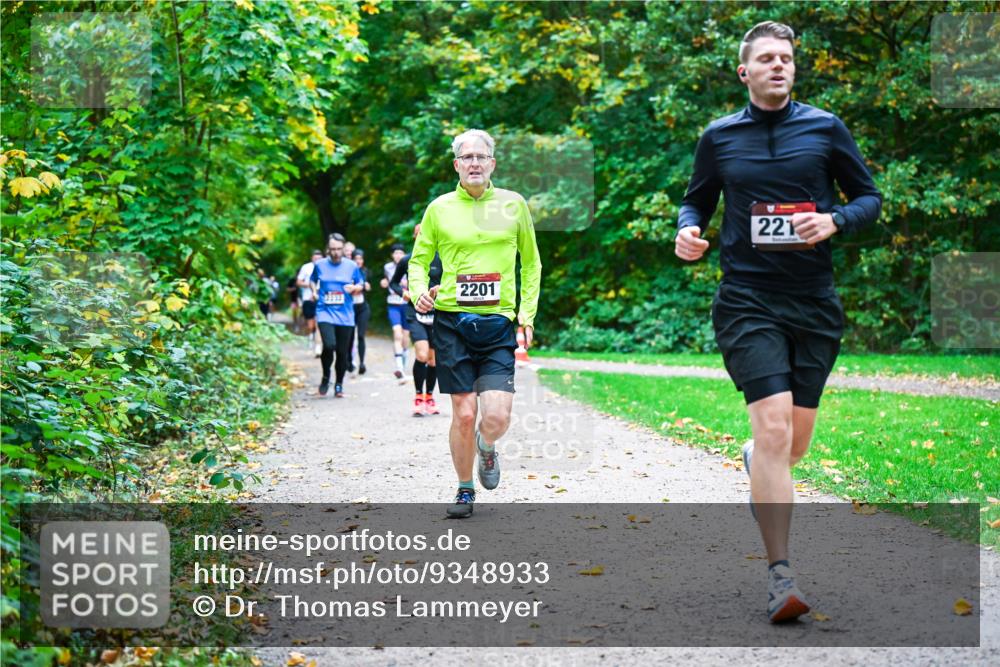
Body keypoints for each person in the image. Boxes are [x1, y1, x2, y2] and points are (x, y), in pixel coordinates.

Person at [674, 21, 882, 623]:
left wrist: (836, 220)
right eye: (766, 58)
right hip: (747, 300)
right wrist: (688, 230)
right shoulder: (719, 137)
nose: (778, 66)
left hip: (813, 302)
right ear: (745, 72)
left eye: (786, 58)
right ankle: (781, 576)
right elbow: (697, 199)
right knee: (772, 430)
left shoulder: (825, 128)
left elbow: (869, 198)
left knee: (793, 445)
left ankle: (759, 461)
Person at [409, 128, 542, 519]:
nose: (474, 163)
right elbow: (418, 261)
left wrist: (527, 313)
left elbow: (531, 263)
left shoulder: (514, 205)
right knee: (464, 414)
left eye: (481, 157)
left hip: (498, 323)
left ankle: (487, 446)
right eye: (466, 157)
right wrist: (418, 291)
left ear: (492, 163)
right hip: (452, 321)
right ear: (456, 165)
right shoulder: (439, 209)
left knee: (496, 417)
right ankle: (465, 489)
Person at [390, 225, 443, 417]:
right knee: (421, 355)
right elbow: (393, 283)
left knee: (433, 359)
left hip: (437, 313)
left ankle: (429, 398)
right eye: (418, 235)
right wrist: (403, 293)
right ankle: (418, 397)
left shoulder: (442, 259)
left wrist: (442, 288)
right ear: (414, 238)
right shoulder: (407, 260)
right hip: (415, 312)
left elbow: (452, 282)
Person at [311, 234, 365, 397]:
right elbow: (313, 280)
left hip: (345, 315)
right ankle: (326, 376)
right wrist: (314, 291)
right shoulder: (320, 265)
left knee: (342, 352)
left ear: (343, 249)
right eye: (332, 249)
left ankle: (339, 384)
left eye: (339, 249)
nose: (335, 252)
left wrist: (355, 289)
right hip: (324, 312)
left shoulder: (351, 266)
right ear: (328, 249)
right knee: (329, 346)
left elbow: (360, 283)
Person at [381, 243, 411, 380]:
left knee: (405, 337)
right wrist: (384, 282)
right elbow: (388, 280)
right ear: (392, 255)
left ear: (404, 254)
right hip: (393, 304)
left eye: (400, 253)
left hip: (407, 304)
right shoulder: (387, 267)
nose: (398, 255)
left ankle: (403, 363)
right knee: (397, 333)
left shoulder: (410, 264)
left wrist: (407, 285)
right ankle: (399, 367)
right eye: (395, 253)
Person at [349, 248, 372, 375]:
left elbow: (368, 287)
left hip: (363, 307)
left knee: (361, 336)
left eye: (360, 259)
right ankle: (350, 361)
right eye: (356, 258)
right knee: (350, 336)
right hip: (349, 308)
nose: (358, 261)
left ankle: (362, 363)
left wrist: (365, 287)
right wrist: (361, 287)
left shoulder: (366, 272)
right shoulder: (347, 271)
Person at [297, 250, 324, 357]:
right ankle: (310, 337)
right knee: (310, 324)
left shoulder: (325, 267)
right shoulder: (306, 267)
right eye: (315, 258)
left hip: (321, 299)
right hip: (307, 298)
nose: (317, 260)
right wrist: (309, 285)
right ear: (312, 258)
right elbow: (298, 282)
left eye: (319, 258)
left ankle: (318, 346)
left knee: (318, 322)